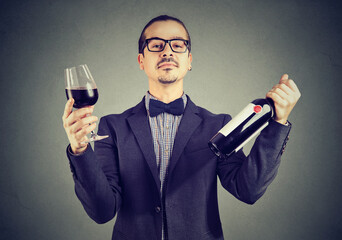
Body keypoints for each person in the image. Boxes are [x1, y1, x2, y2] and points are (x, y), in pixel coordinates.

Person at [62, 15, 301, 240]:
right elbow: (102, 211)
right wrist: (80, 151)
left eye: (177, 45)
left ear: (189, 61)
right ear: (141, 61)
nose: (167, 50)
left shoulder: (218, 124)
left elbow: (247, 190)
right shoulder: (112, 126)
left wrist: (278, 123)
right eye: (156, 45)